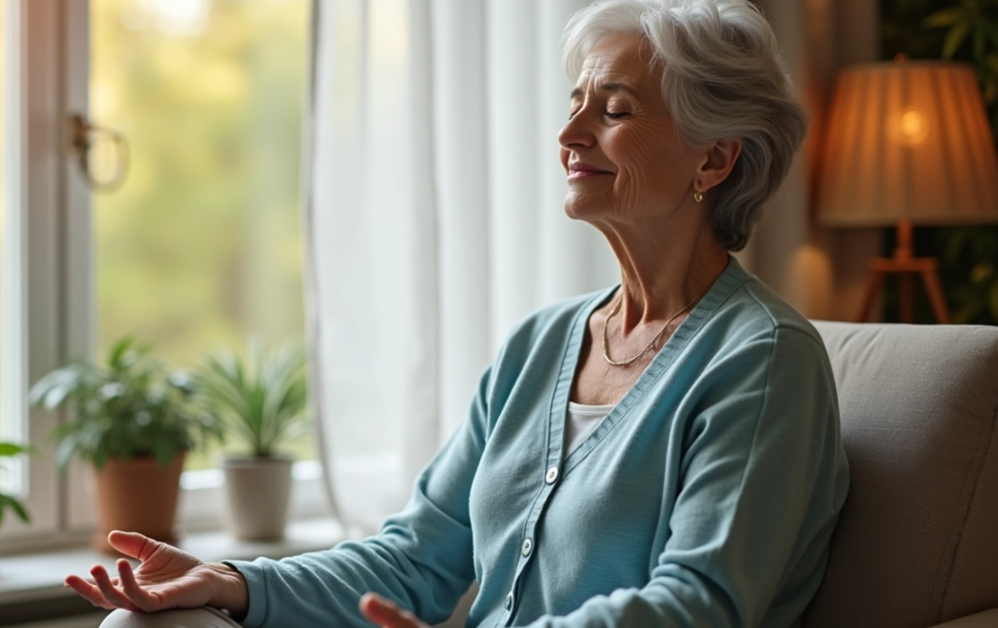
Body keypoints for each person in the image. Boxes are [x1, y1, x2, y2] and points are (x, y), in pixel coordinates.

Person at [67, 0, 850, 626]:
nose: (569, 133)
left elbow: (698, 606)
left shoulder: (763, 357)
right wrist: (229, 581)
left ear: (714, 158)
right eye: (575, 103)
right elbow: (417, 559)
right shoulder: (541, 345)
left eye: (612, 110)